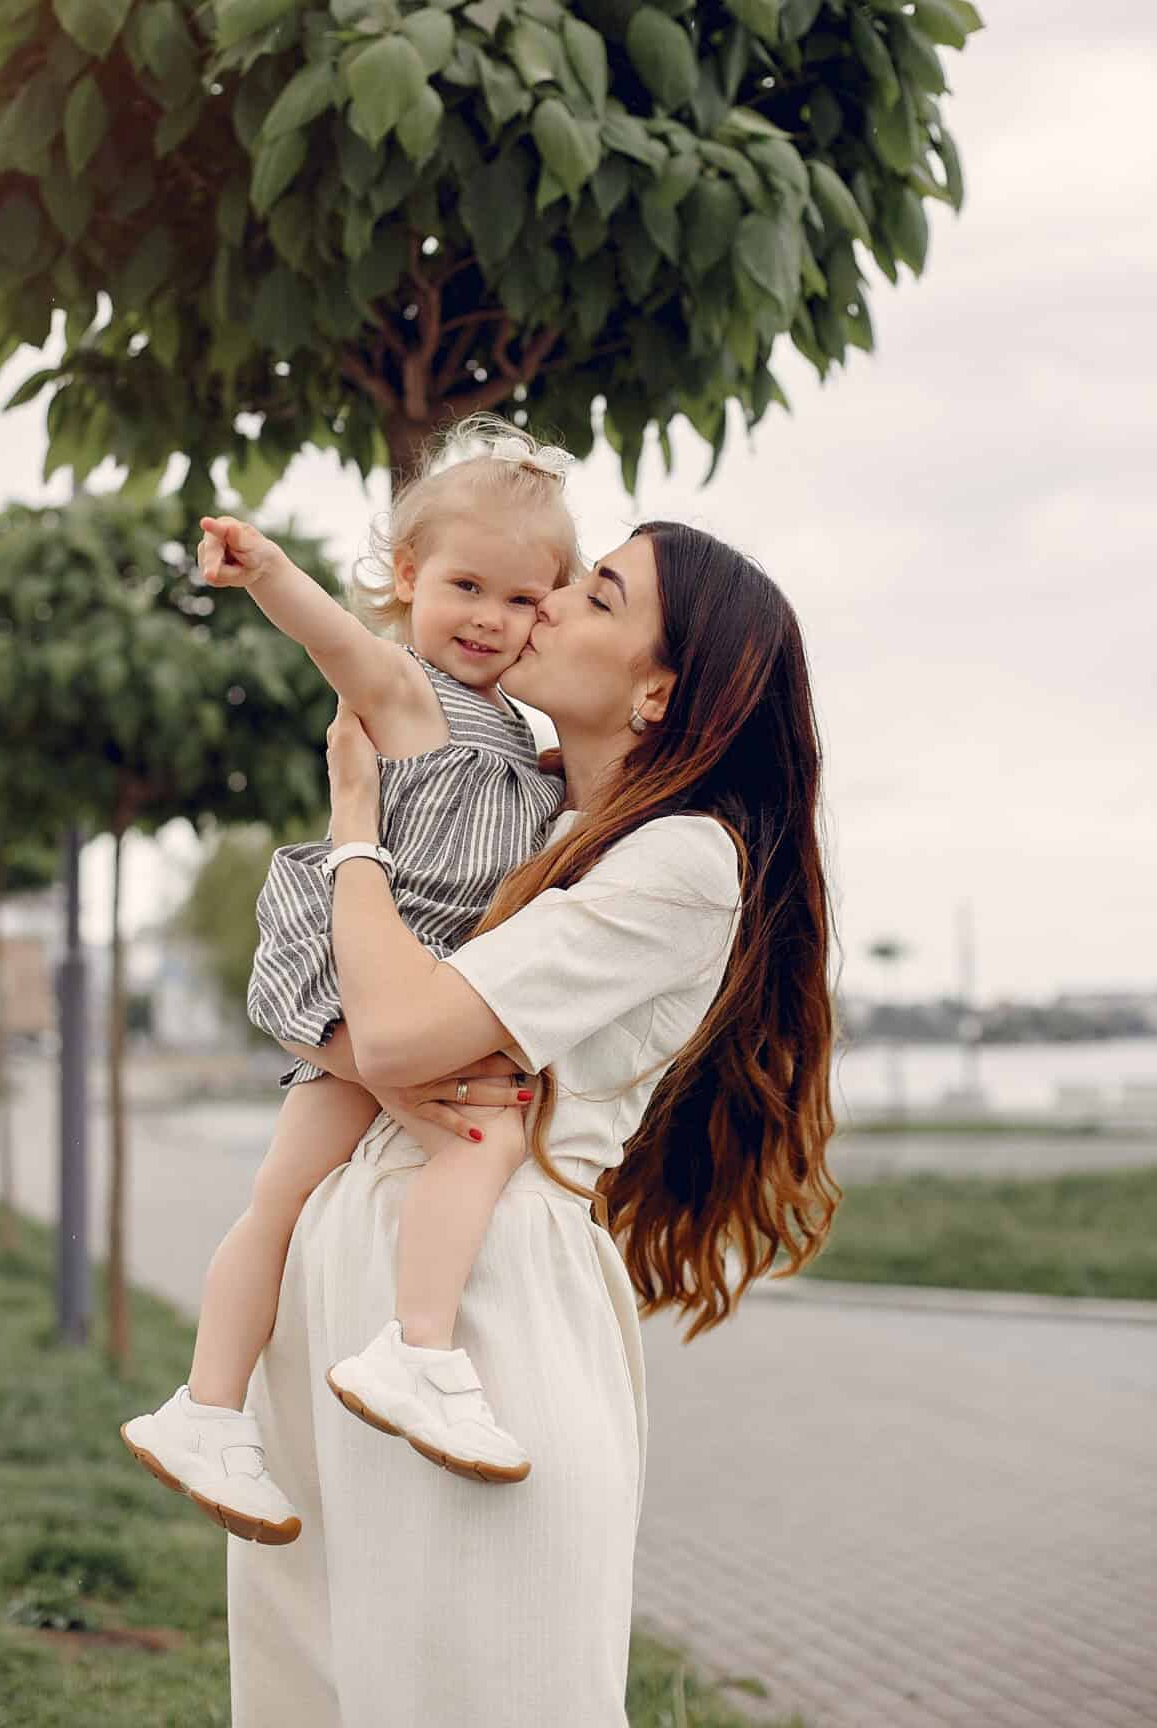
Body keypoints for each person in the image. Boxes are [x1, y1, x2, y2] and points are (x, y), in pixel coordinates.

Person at [226, 519, 842, 1728]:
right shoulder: (527, 819)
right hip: (352, 1275)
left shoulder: (681, 858)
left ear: (658, 690)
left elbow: (397, 1029)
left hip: (483, 1303)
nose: (548, 602)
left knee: (482, 1681)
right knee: (318, 1677)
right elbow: (311, 997)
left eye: (598, 596)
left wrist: (354, 824)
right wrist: (366, 1039)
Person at [122, 419, 578, 1537]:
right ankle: (418, 1348)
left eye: (523, 600)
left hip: (407, 994)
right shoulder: (408, 694)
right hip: (361, 977)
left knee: (278, 1199)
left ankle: (206, 1408)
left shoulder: (520, 735)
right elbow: (336, 640)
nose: (489, 618)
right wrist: (268, 568)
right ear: (409, 577)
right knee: (483, 1138)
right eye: (465, 585)